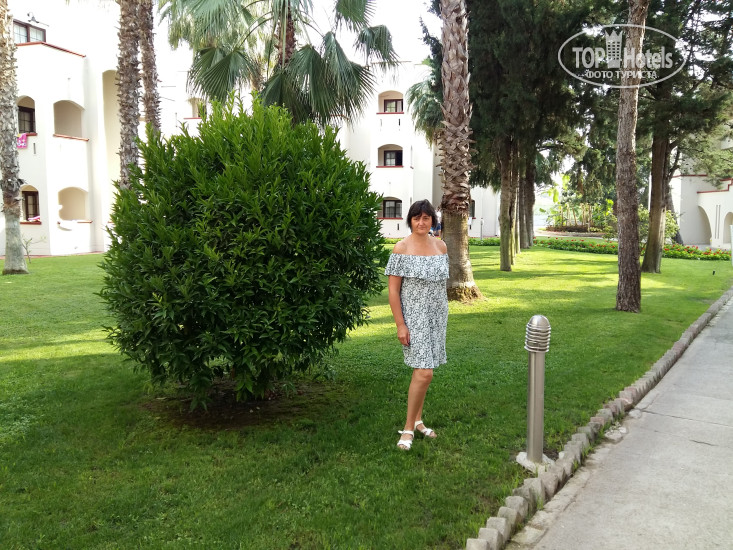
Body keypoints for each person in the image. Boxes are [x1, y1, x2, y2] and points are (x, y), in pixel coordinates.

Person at [384, 199, 449, 450]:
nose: (421, 222)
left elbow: (440, 284)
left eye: (426, 218)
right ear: (410, 221)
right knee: (424, 372)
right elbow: (393, 291)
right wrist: (400, 325)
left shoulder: (441, 246)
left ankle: (419, 421)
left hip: (437, 317)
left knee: (423, 371)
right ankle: (408, 428)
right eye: (416, 218)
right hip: (413, 318)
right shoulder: (401, 248)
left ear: (432, 220)